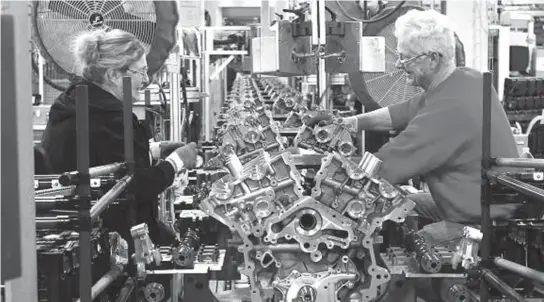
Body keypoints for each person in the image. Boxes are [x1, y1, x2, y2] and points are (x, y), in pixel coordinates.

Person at [310, 9, 520, 237]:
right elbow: (400, 112)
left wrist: (328, 183)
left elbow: (388, 164)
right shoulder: (467, 79)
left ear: (432, 59)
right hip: (477, 203)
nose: (399, 64)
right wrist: (347, 123)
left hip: (484, 223)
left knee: (414, 245)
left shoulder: (448, 112)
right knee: (404, 202)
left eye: (406, 58)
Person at [40, 29, 198, 245]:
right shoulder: (111, 117)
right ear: (113, 75)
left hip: (77, 232)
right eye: (140, 73)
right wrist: (177, 161)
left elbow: (104, 157)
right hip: (106, 241)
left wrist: (154, 151)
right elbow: (135, 186)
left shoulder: (76, 101)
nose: (145, 81)